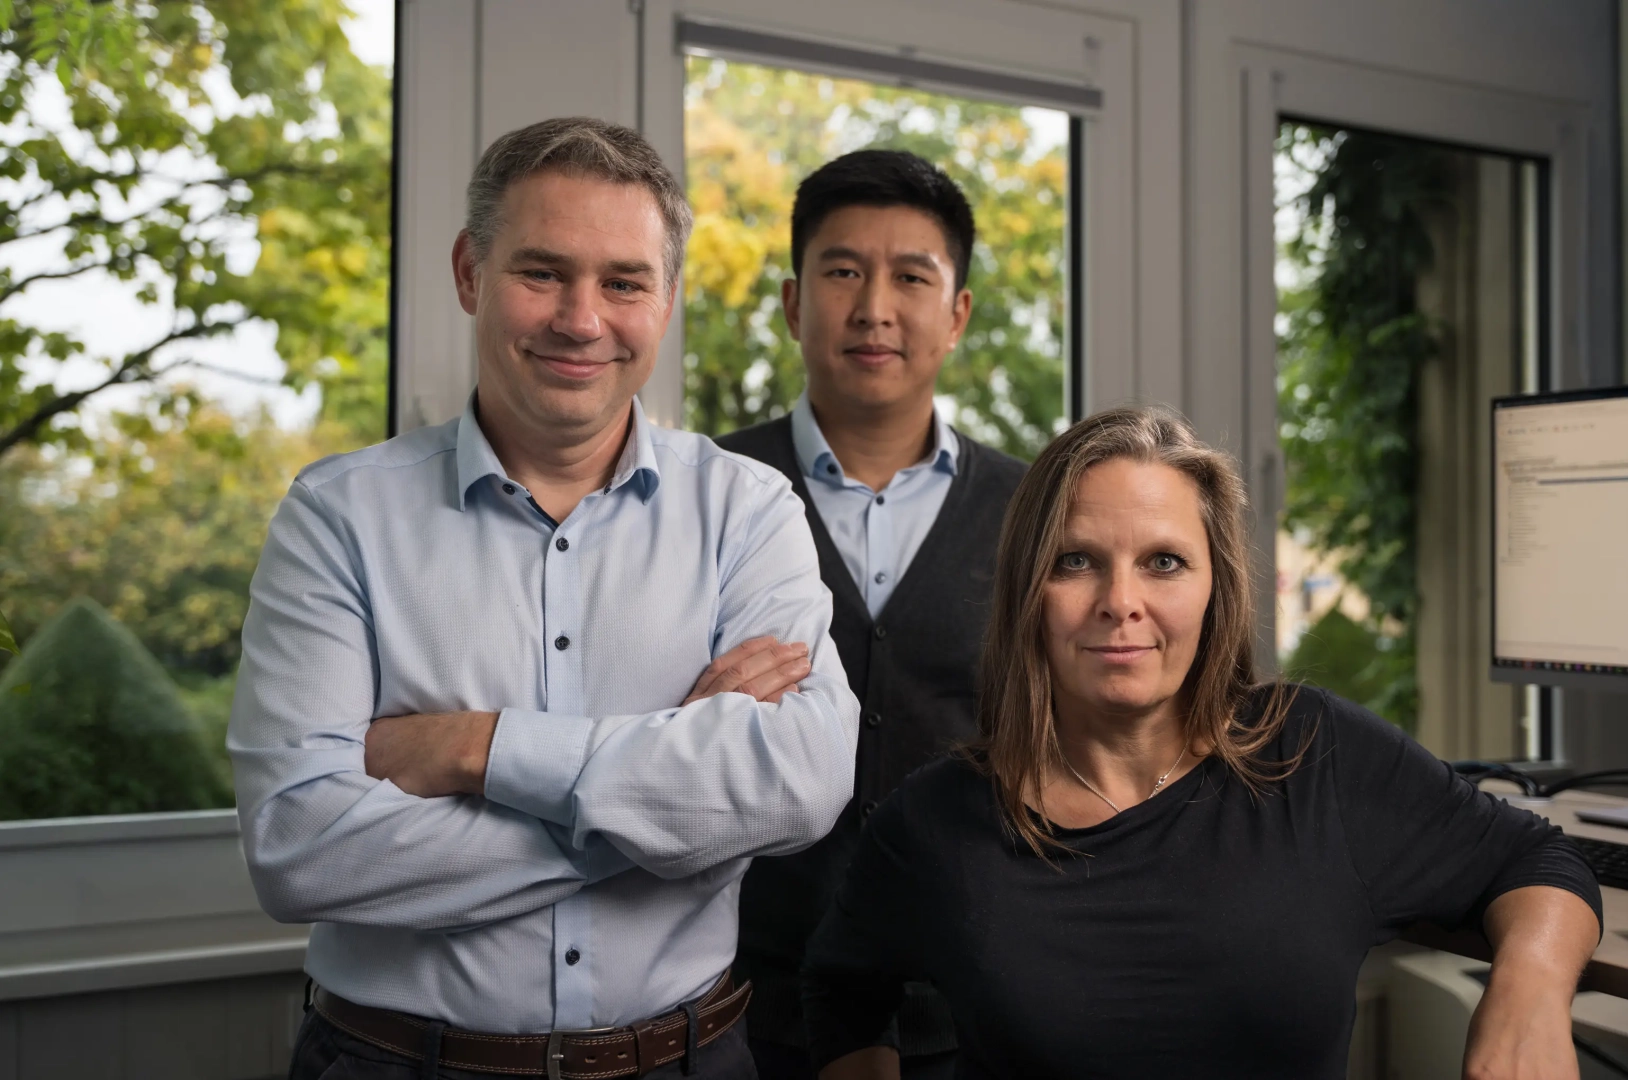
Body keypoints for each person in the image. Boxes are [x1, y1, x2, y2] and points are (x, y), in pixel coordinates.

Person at [228, 116, 861, 1080]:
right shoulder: (337, 517)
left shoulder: (748, 508)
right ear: (470, 273)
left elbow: (803, 779)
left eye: (624, 282)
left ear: (668, 296)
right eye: (541, 272)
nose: (581, 318)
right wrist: (667, 810)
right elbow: (300, 849)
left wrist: (476, 748)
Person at [802, 405, 1602, 1080]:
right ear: (1027, 591)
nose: (1122, 602)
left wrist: (1527, 988)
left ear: (1215, 588)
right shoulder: (938, 820)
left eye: (1164, 563)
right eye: (1076, 561)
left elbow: (1538, 859)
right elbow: (841, 990)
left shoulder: (1316, 755)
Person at [716, 149, 1026, 1080]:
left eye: (911, 277)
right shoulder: (701, 494)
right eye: (842, 271)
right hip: (740, 1002)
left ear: (958, 312)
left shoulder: (1038, 511)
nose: (873, 307)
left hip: (974, 998)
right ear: (791, 301)